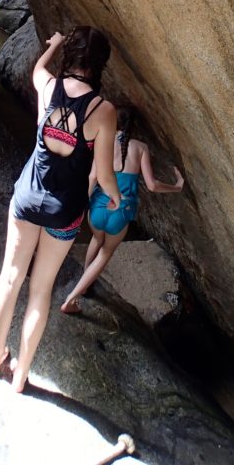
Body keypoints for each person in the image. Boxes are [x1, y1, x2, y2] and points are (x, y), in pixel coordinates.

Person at [0, 26, 121, 392]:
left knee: (10, 277)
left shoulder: (48, 87)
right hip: (65, 211)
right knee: (41, 289)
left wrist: (53, 46)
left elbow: (37, 70)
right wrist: (115, 198)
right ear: (100, 64)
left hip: (28, 196)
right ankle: (20, 376)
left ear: (71, 55)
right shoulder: (103, 111)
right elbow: (106, 174)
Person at [60, 107, 184, 315]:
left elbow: (91, 178)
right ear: (133, 128)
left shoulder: (102, 142)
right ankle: (72, 298)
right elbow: (152, 186)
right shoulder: (141, 147)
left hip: (98, 208)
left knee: (96, 240)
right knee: (106, 253)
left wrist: (82, 204)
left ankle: (86, 282)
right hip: (120, 212)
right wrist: (177, 186)